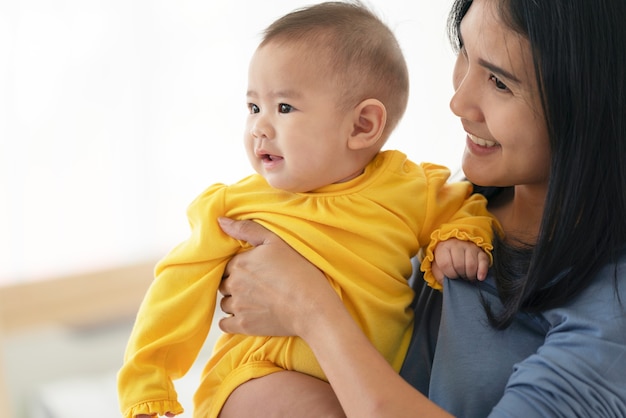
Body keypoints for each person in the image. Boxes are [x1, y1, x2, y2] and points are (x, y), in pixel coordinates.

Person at [216, 0, 626, 416]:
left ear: (591, 101)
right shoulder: (451, 209)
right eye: (464, 51)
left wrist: (311, 311)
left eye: (500, 83)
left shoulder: (611, 308)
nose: (459, 102)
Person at [117, 2, 496, 417]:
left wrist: (459, 237)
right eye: (253, 107)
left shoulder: (411, 188)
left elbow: (464, 206)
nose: (259, 126)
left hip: (362, 384)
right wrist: (148, 386)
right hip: (259, 373)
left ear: (362, 126)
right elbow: (176, 289)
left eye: (283, 108)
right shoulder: (235, 206)